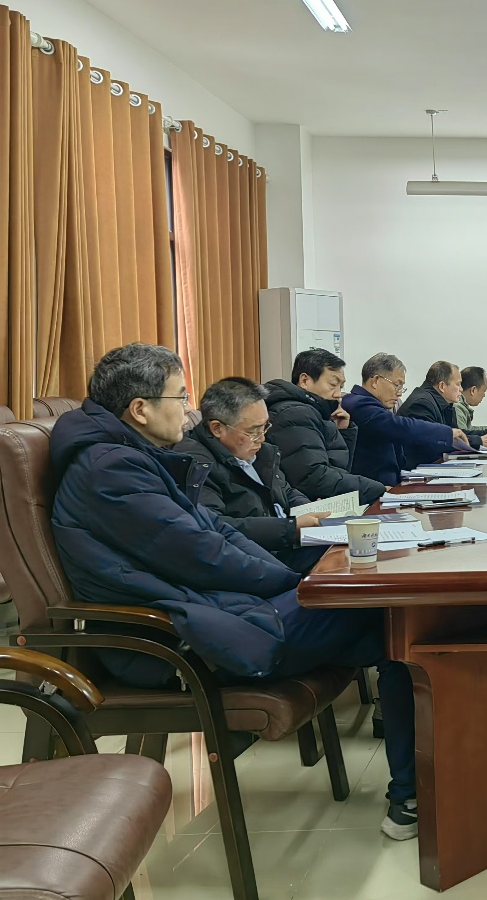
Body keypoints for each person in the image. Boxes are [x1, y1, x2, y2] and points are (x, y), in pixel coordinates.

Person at [48, 343, 419, 840]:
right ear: (140, 409)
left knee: (393, 622)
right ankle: (411, 796)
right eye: (180, 396)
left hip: (213, 615)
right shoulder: (109, 470)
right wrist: (296, 586)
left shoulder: (131, 457)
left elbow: (214, 533)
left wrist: (292, 582)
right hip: (180, 640)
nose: (189, 409)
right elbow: (199, 552)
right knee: (395, 621)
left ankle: (411, 793)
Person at [178, 377, 329, 575]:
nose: (262, 438)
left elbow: (285, 491)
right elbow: (216, 526)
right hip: (254, 561)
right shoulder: (196, 464)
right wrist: (290, 528)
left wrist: (308, 508)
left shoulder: (260, 452)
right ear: (217, 428)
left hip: (287, 543)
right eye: (253, 431)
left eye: (264, 427)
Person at [265, 349, 385, 505]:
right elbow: (313, 477)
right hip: (304, 507)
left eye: (341, 386)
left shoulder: (316, 412)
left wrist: (343, 432)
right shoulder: (295, 414)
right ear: (305, 381)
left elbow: (336, 468)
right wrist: (377, 489)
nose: (338, 394)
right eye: (333, 384)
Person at [343, 353, 469, 486]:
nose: (399, 393)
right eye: (397, 385)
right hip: (375, 489)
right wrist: (446, 433)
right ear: (375, 381)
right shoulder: (357, 403)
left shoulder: (374, 405)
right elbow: (398, 426)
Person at [399, 361, 487, 448]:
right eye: (458, 384)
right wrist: (478, 441)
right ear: (442, 386)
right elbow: (436, 442)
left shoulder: (442, 404)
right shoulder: (422, 404)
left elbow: (459, 433)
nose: (461, 389)